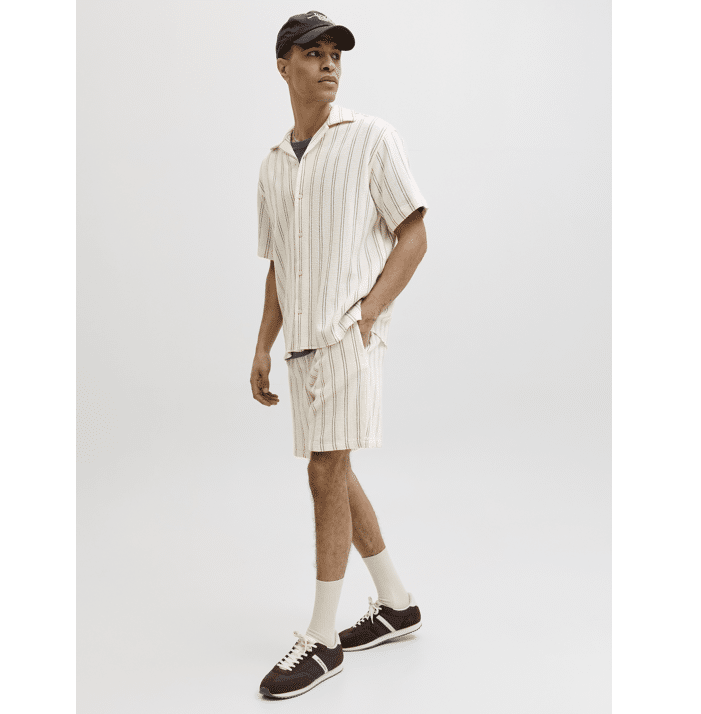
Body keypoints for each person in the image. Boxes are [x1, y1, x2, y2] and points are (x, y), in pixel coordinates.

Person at [250, 10, 429, 699]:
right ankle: (396, 604)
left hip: (348, 336)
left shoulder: (371, 137)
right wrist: (262, 344)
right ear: (283, 66)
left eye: (335, 54)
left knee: (324, 470)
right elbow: (279, 264)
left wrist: (368, 313)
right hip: (299, 346)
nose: (328, 64)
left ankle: (322, 639)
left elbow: (414, 234)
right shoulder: (273, 165)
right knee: (336, 469)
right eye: (312, 53)